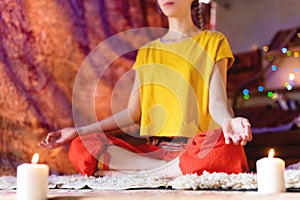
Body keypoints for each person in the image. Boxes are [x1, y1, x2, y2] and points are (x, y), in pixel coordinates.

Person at [40, 0, 252, 177]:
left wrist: (228, 122)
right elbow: (133, 113)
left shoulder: (213, 41)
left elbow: (217, 102)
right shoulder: (147, 52)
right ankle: (166, 172)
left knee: (226, 149)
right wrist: (78, 131)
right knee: (82, 146)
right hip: (155, 152)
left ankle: (142, 174)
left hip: (196, 148)